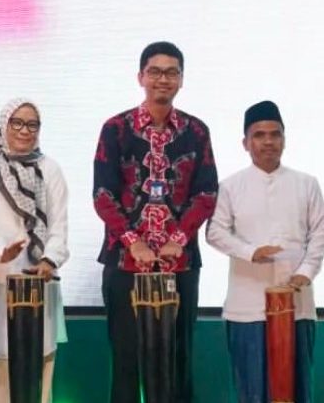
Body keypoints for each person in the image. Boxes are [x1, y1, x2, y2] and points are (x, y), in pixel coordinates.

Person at [93, 41, 218, 402]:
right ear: (141, 77)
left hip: (180, 264)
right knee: (126, 362)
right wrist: (134, 241)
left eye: (171, 72)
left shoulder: (196, 131)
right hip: (125, 263)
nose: (163, 79)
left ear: (181, 79)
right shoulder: (116, 129)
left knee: (178, 361)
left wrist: (178, 238)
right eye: (155, 72)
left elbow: (206, 192)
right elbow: (103, 194)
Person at [206, 100, 324, 403]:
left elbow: (319, 234)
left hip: (297, 305)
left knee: (296, 390)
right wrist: (251, 252)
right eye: (259, 135)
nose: (268, 141)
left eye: (275, 134)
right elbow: (215, 232)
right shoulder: (229, 186)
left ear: (284, 139)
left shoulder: (307, 184)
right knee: (252, 390)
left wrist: (305, 273)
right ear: (245, 143)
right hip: (247, 307)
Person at [0, 98, 69, 403]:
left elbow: (59, 225)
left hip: (39, 281)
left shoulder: (50, 169)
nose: (24, 130)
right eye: (17, 123)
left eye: (32, 124)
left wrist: (49, 260)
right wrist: (0, 251)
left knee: (37, 369)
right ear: (3, 125)